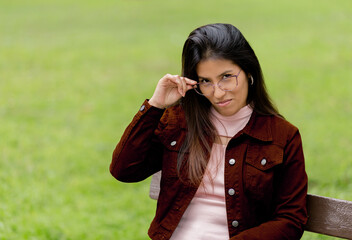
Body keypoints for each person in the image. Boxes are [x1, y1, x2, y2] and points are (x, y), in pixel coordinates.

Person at [110, 23, 307, 240]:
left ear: (249, 70)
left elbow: (291, 220)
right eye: (206, 81)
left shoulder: (282, 136)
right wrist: (155, 105)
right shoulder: (178, 122)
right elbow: (124, 170)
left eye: (226, 77)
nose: (218, 93)